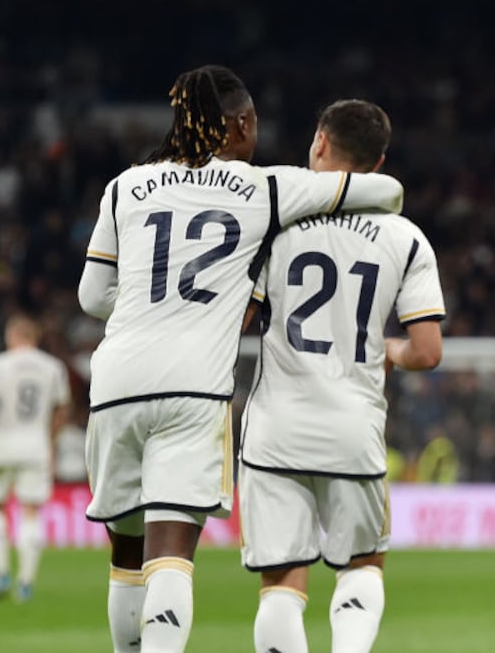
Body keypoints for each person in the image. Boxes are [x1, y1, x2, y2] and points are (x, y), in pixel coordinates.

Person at [77, 66, 406, 653]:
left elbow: (90, 296)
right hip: (193, 390)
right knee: (170, 555)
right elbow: (385, 193)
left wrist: (148, 308)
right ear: (243, 123)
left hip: (116, 381)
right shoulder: (265, 187)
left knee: (127, 553)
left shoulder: (125, 185)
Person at [238, 99, 445, 653]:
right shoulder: (405, 238)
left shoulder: (275, 229)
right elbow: (426, 352)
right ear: (378, 165)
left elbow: (240, 318)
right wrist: (389, 352)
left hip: (275, 430)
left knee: (280, 582)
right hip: (353, 427)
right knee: (361, 567)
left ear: (320, 144)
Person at [0, 313, 71, 603]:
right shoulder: (53, 367)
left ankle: (1, 571)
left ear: (12, 336)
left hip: (1, 445)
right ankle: (25, 580)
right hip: (35, 446)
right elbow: (62, 411)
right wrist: (50, 443)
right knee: (31, 511)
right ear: (34, 337)